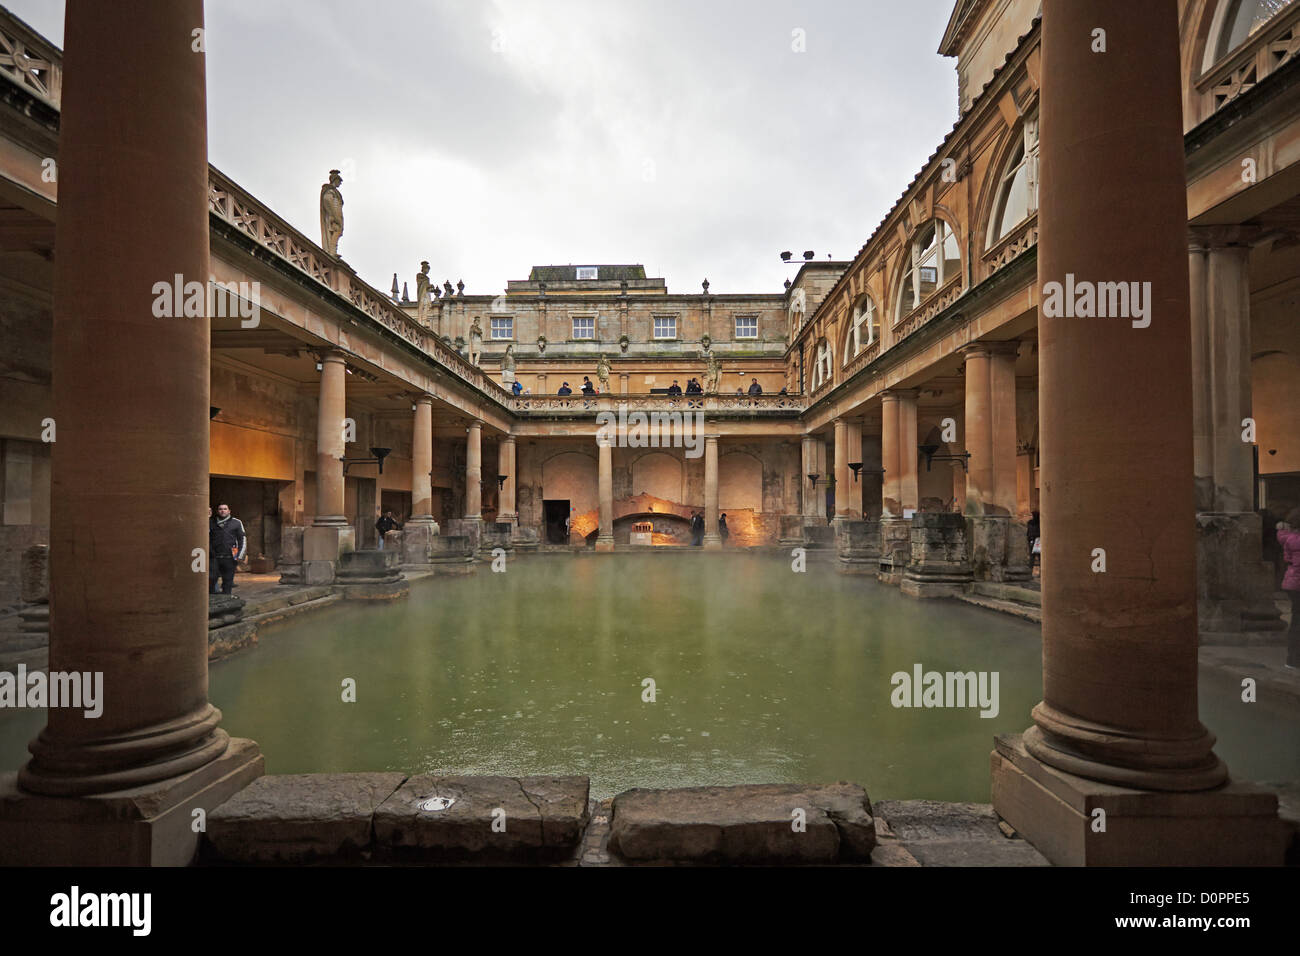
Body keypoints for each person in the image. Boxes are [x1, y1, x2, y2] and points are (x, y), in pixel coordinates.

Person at [1277, 509, 1300, 668]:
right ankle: (1294, 659)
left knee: (1296, 621)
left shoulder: (1289, 538)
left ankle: (1292, 659)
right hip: (1298, 583)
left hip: (1292, 582)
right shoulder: (1297, 541)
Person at [209, 503, 246, 595]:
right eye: (220, 509)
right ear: (217, 511)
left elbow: (242, 539)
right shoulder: (211, 522)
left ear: (229, 511)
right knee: (211, 579)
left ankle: (227, 599)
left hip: (230, 557)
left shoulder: (236, 522)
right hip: (214, 557)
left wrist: (240, 556)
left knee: (228, 581)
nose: (223, 511)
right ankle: (212, 600)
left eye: (225, 509)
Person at [1027, 510, 1041, 577]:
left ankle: (1040, 573)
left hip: (1037, 541)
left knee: (1039, 558)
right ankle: (1029, 573)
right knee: (1033, 558)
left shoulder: (1039, 523)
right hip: (1033, 541)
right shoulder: (1030, 522)